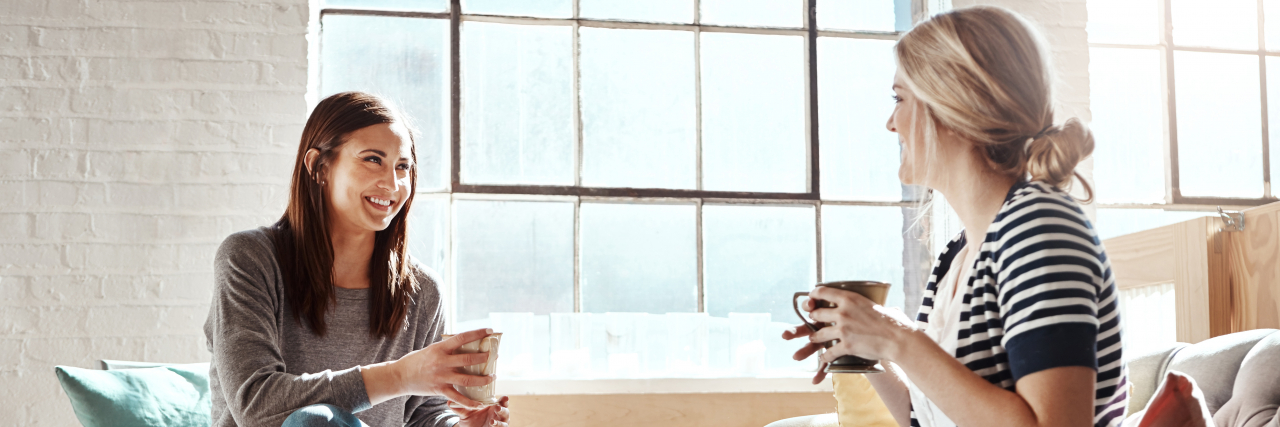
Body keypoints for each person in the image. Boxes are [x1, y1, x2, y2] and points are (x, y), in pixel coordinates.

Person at [783, 6, 1127, 427]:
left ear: (952, 106)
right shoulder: (958, 256)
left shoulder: (1040, 228)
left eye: (900, 98)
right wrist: (869, 344)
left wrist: (899, 339)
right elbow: (933, 418)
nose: (891, 123)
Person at [203, 91, 511, 427]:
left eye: (403, 166)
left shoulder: (423, 290)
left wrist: (463, 425)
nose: (392, 183)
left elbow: (425, 415)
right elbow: (256, 405)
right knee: (316, 422)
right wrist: (401, 375)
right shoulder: (250, 259)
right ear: (319, 167)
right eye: (373, 159)